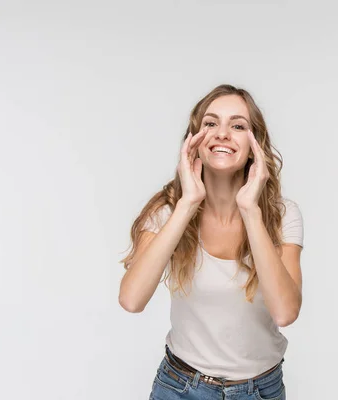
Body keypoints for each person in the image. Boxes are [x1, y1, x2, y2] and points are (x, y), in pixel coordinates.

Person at [119, 84, 304, 400]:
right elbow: (132, 300)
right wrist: (188, 203)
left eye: (237, 125)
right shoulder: (168, 210)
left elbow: (285, 313)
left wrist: (250, 211)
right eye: (210, 123)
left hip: (259, 391)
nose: (222, 133)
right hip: (180, 387)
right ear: (193, 141)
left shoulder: (281, 215)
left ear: (254, 145)